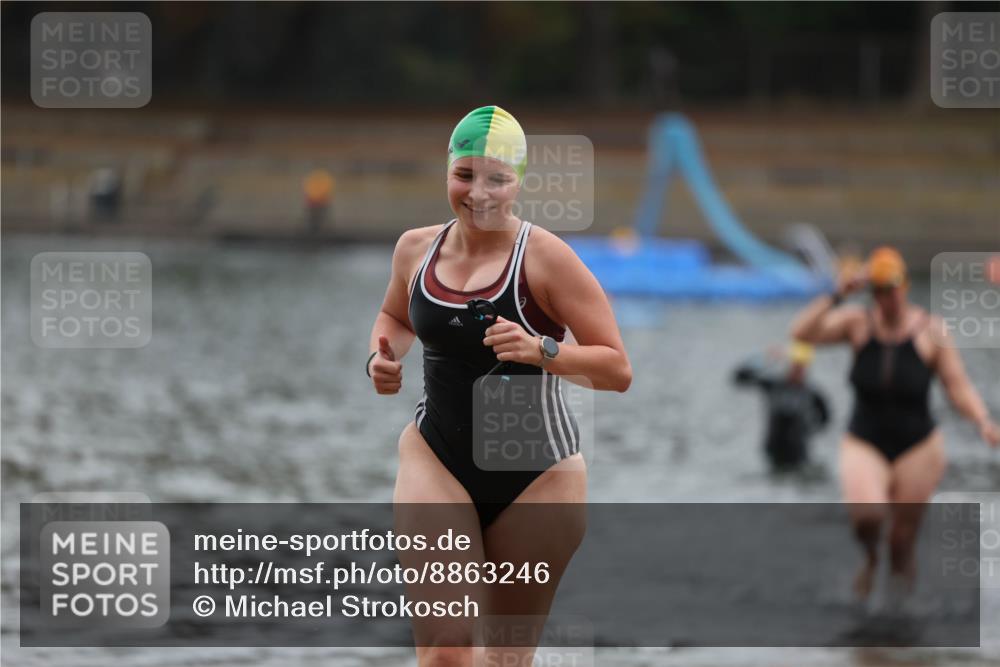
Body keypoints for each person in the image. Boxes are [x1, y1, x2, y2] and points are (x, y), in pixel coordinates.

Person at [367, 105, 632, 666]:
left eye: (497, 179)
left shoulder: (546, 258)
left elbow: (615, 370)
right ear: (447, 172)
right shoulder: (415, 249)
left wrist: (545, 350)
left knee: (503, 661)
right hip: (436, 458)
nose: (479, 194)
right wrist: (380, 359)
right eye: (465, 175)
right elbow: (394, 319)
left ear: (519, 182)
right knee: (447, 652)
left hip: (540, 479)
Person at [790, 246, 999, 598]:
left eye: (892, 289)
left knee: (902, 542)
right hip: (864, 440)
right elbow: (801, 333)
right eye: (879, 291)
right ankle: (870, 562)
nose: (887, 299)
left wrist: (983, 421)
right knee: (868, 518)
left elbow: (957, 386)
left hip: (918, 444)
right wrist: (837, 294)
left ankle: (900, 627)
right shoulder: (857, 323)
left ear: (903, 287)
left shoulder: (931, 331)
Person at [733, 340, 830, 470]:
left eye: (801, 367)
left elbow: (825, 419)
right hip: (773, 448)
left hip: (798, 450)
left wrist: (809, 431)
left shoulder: (812, 393)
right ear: (788, 365)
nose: (798, 370)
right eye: (795, 365)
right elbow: (739, 377)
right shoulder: (773, 385)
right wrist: (764, 358)